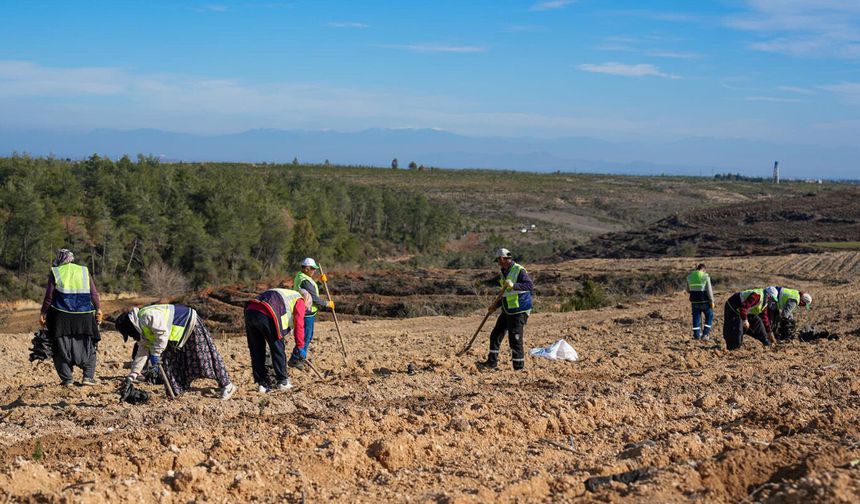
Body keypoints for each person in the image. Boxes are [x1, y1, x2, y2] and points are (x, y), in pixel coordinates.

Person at [114, 304, 236, 400]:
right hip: (174, 337)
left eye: (128, 333)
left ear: (130, 326)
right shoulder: (141, 331)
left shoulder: (147, 316)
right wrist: (132, 376)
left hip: (188, 323)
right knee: (169, 364)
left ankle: (227, 385)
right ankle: (176, 392)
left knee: (204, 357)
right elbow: (142, 353)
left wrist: (156, 354)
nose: (131, 336)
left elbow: (162, 334)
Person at [39, 248, 103, 386]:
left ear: (59, 259)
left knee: (60, 347)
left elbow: (49, 297)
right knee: (88, 344)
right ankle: (88, 377)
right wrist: (98, 309)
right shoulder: (84, 271)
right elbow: (94, 294)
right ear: (71, 258)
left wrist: (43, 313)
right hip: (84, 315)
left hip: (61, 317)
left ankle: (67, 379)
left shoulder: (56, 271)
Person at [244, 288, 310, 393]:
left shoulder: (284, 292)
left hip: (250, 311)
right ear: (306, 300)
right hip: (268, 313)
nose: (305, 310)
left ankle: (262, 384)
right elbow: (299, 323)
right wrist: (300, 345)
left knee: (256, 350)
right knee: (277, 348)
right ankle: (282, 382)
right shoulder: (300, 299)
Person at [479, 248, 535, 371]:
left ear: (502, 259)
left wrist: (514, 285)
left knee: (515, 339)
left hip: (520, 309)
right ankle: (491, 363)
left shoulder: (519, 270)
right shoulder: (504, 272)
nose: (498, 263)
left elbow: (529, 286)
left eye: (498, 260)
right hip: (508, 309)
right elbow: (506, 294)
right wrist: (496, 305)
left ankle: (518, 369)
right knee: (495, 335)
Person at [288, 258, 334, 369]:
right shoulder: (304, 280)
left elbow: (312, 288)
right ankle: (296, 359)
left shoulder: (302, 276)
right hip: (306, 313)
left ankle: (297, 358)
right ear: (306, 268)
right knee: (305, 337)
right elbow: (314, 298)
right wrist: (327, 304)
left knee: (306, 337)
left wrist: (320, 281)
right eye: (312, 269)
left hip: (307, 312)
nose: (314, 271)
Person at [686, 263, 714, 340]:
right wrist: (712, 301)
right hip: (704, 301)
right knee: (709, 316)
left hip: (694, 301)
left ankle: (697, 335)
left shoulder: (689, 277)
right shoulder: (705, 276)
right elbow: (709, 290)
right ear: (704, 269)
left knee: (696, 318)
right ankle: (705, 334)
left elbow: (688, 290)